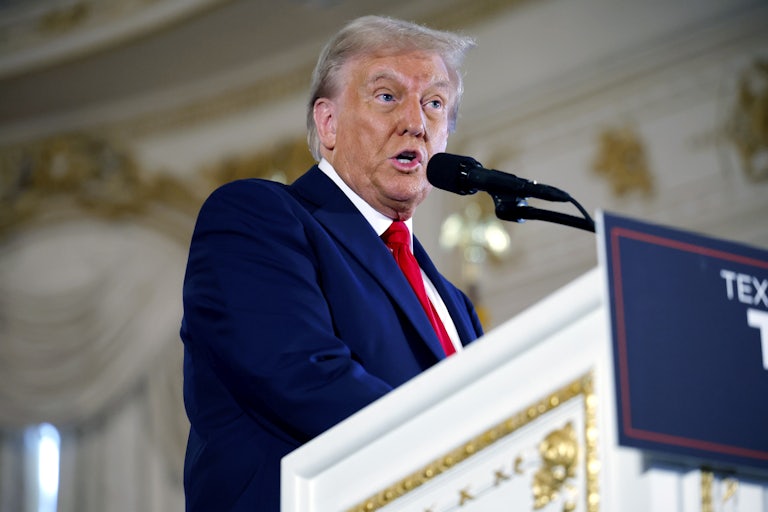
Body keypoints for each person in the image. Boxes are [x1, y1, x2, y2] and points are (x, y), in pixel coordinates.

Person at [180, 15, 483, 512]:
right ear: (328, 124)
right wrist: (459, 450)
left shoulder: (453, 303)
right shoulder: (257, 217)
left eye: (434, 103)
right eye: (387, 96)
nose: (416, 122)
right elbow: (303, 375)